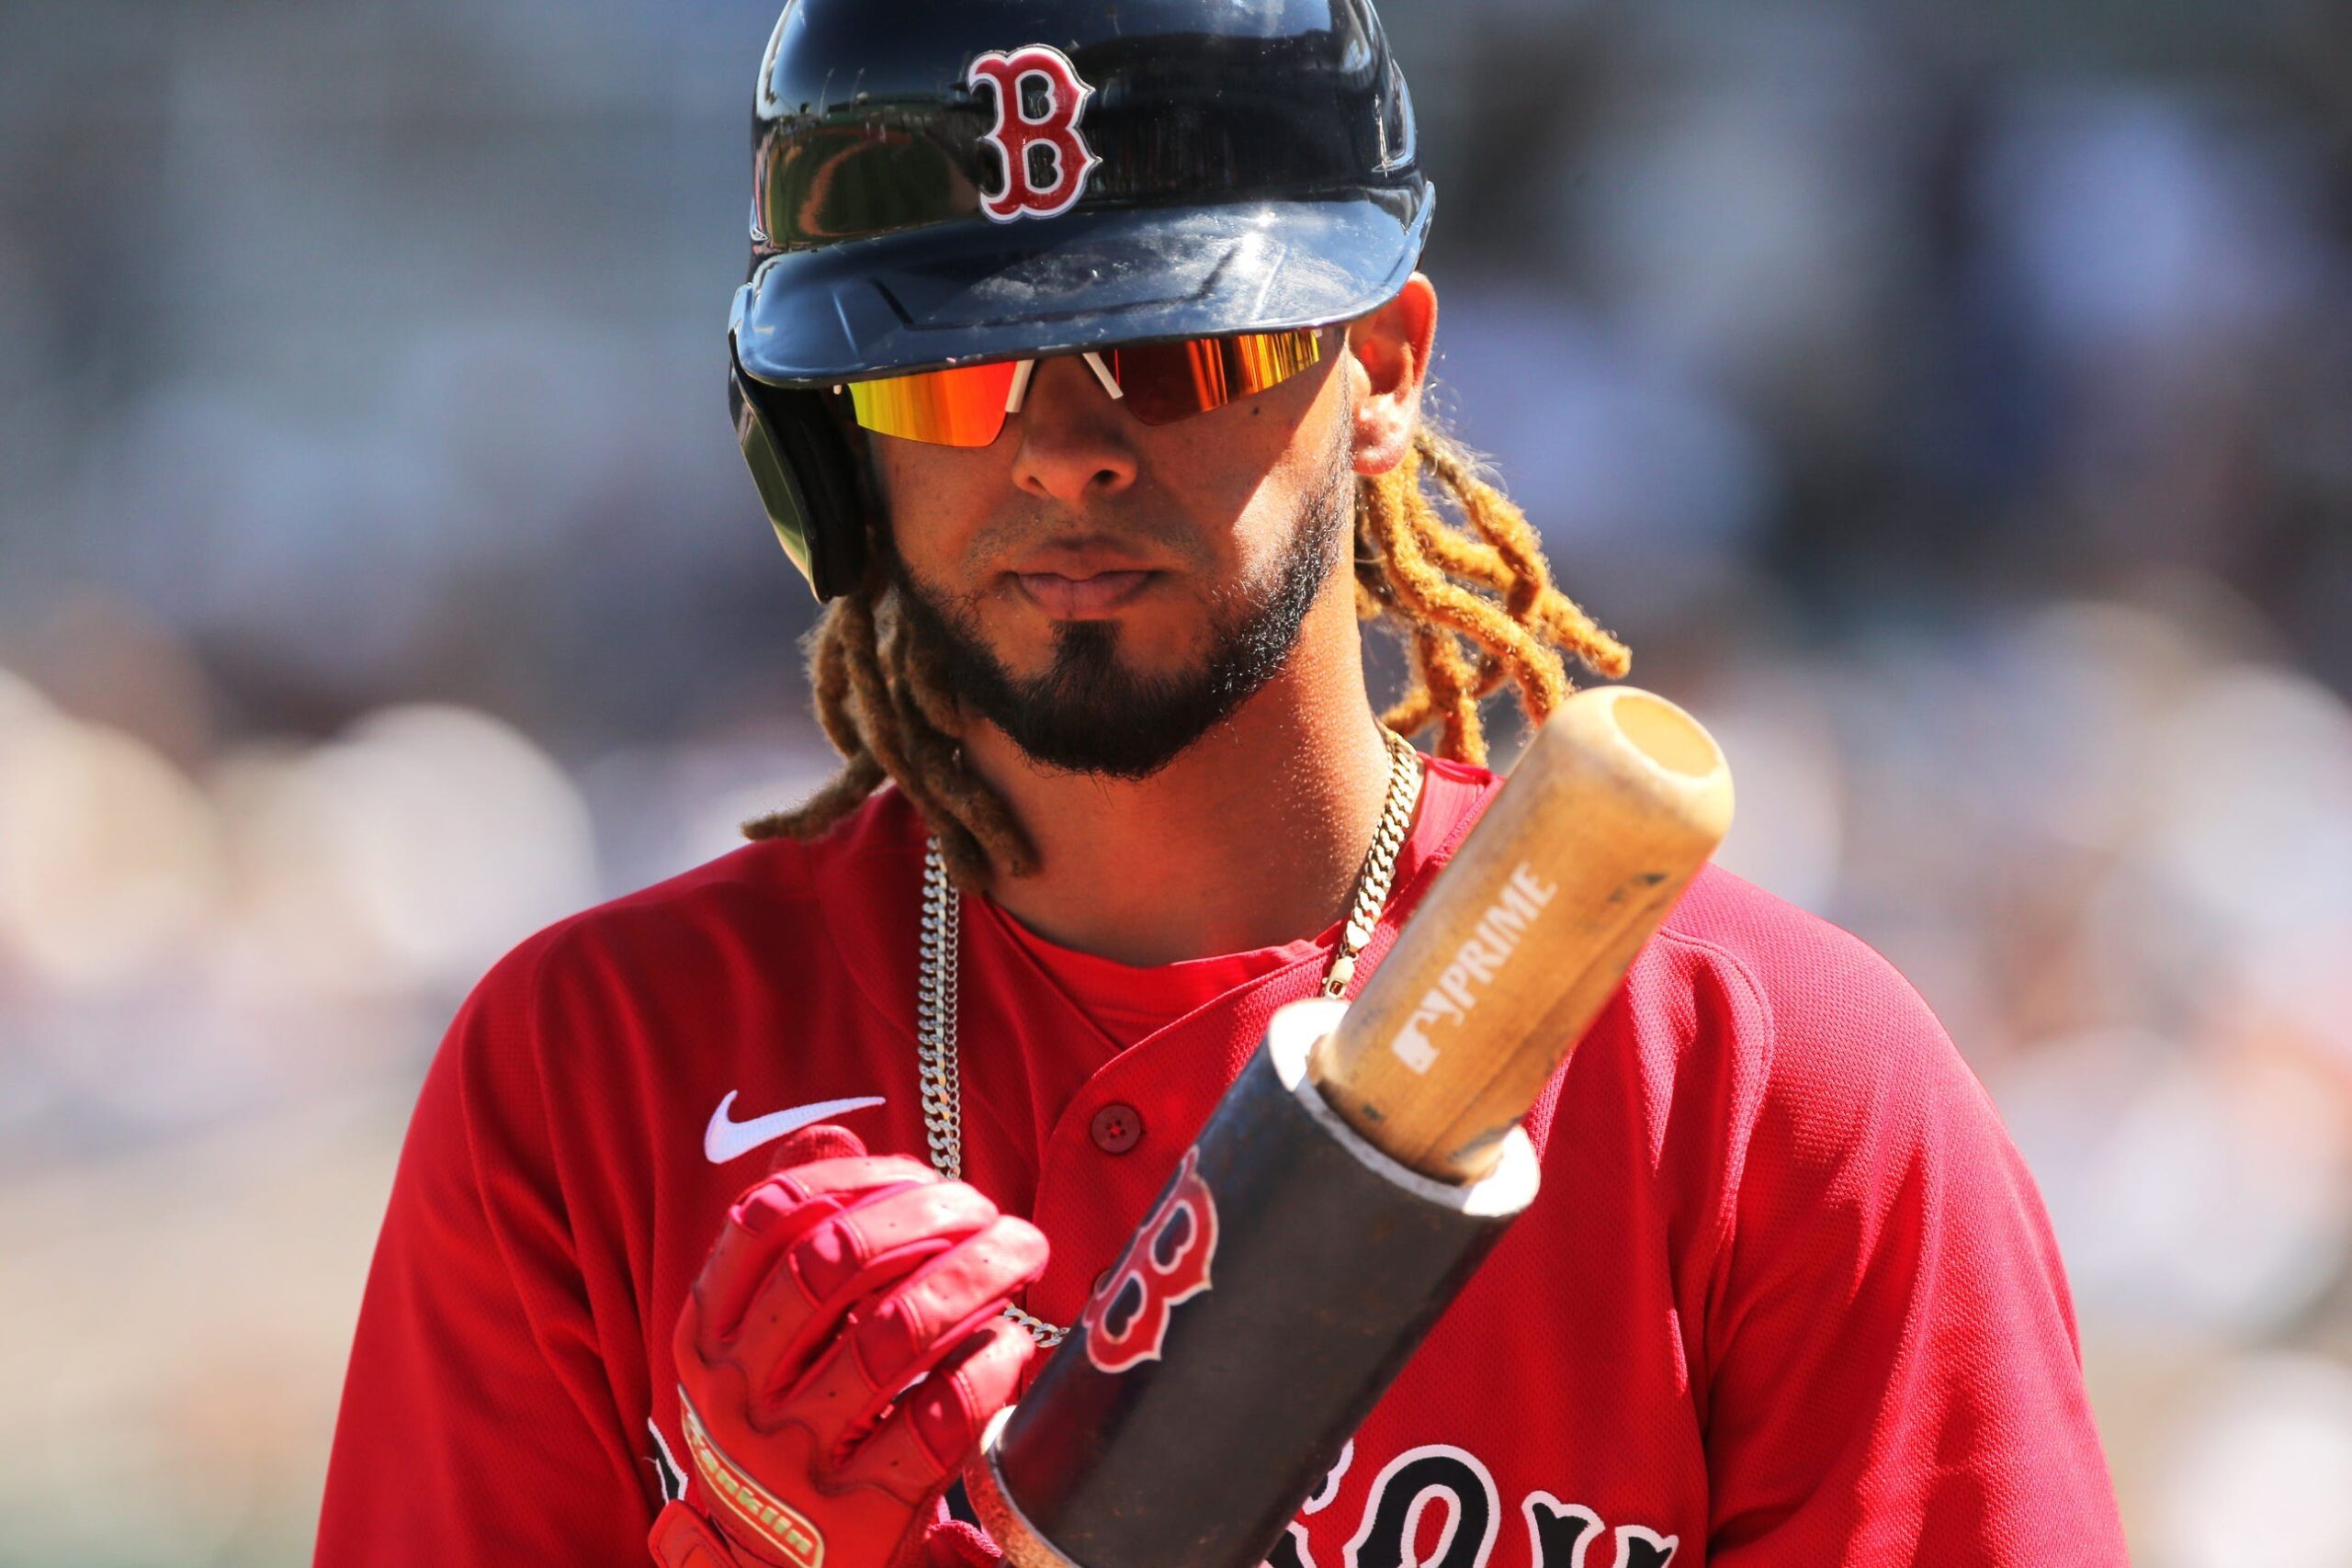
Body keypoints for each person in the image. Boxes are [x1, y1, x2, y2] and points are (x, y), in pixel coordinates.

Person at [314, 1, 2129, 1564]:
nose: (1064, 449)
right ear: (825, 444)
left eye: (1174, 347)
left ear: (1380, 366)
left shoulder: (1767, 1080)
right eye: (946, 373)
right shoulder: (592, 1073)